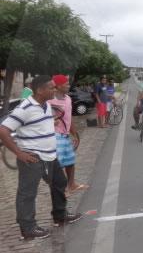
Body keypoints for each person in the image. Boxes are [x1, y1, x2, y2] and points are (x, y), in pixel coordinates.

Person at [0, 75, 82, 240]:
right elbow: (3, 130)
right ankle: (28, 228)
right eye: (51, 87)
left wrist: (51, 124)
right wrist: (19, 153)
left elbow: (36, 125)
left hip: (51, 156)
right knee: (27, 193)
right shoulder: (25, 108)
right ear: (40, 90)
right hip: (34, 157)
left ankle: (60, 215)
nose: (54, 89)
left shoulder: (45, 105)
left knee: (59, 182)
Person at [48, 74, 87, 195]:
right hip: (54, 136)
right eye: (66, 84)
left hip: (65, 135)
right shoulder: (49, 100)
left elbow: (69, 119)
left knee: (70, 161)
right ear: (58, 86)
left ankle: (72, 185)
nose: (69, 85)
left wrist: (75, 134)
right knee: (57, 165)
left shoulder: (68, 99)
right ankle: (59, 190)